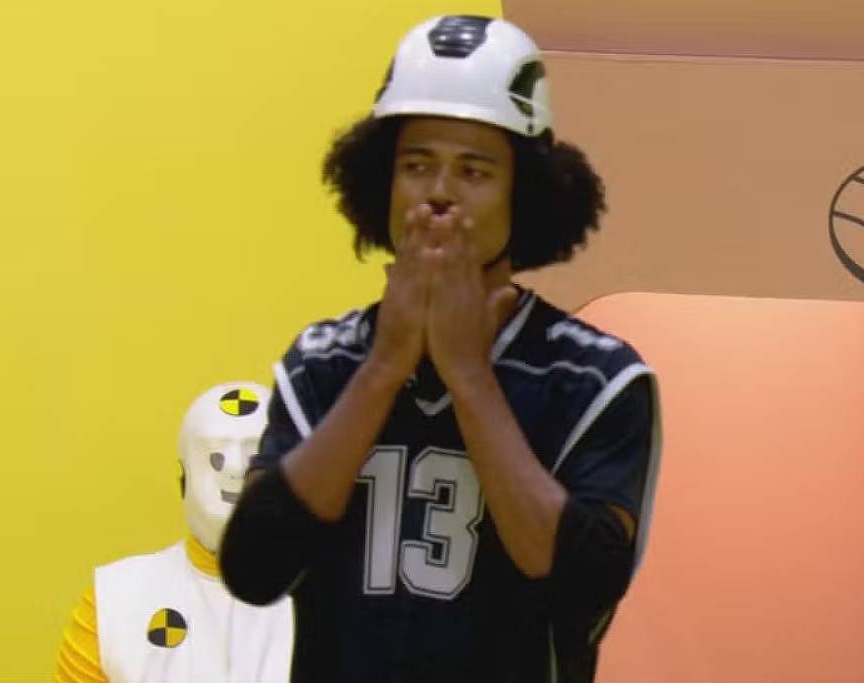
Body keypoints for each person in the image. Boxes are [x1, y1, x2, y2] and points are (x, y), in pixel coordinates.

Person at [220, 14, 662, 683]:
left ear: (524, 193)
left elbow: (584, 585)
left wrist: (468, 375)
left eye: (474, 171)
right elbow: (254, 570)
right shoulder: (323, 362)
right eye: (416, 166)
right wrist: (384, 367)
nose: (438, 195)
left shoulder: (596, 379)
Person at [54, 382, 293, 683]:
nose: (234, 469)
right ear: (184, 478)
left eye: (253, 454)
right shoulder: (116, 601)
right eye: (216, 457)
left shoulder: (332, 600)